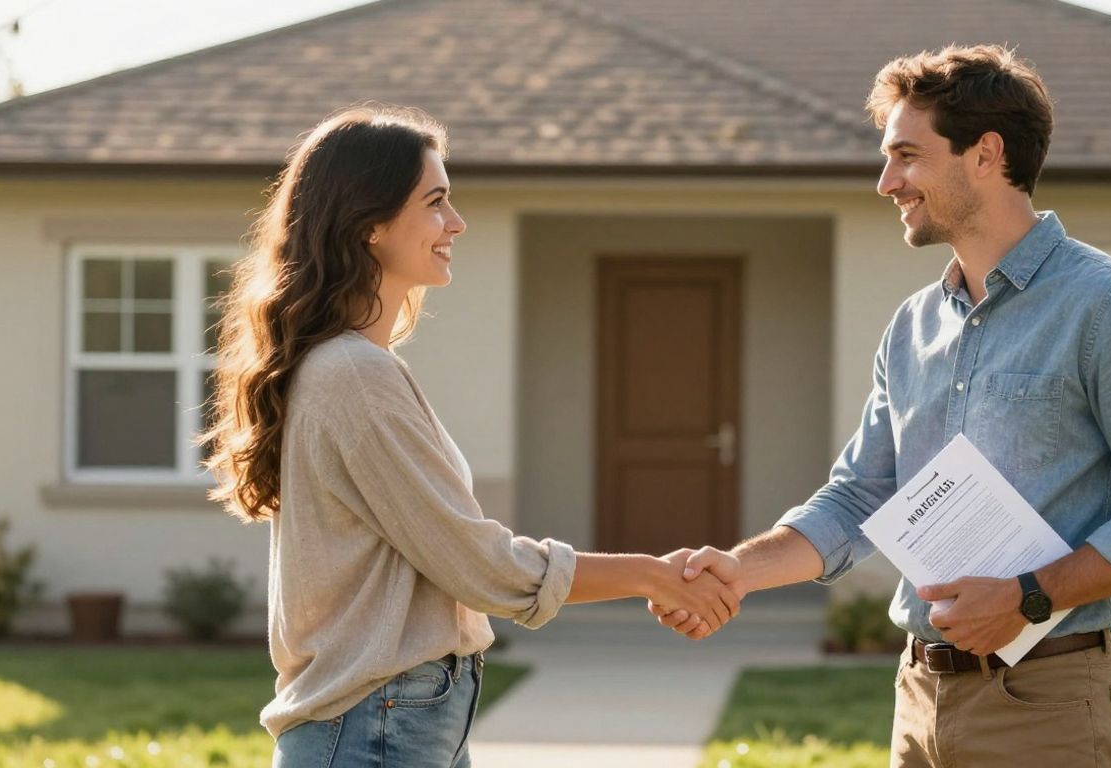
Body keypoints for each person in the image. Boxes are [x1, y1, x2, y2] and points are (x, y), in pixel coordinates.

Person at [655, 44, 1111, 767]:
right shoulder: (913, 326)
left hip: (1049, 702)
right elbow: (862, 495)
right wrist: (739, 570)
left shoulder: (1109, 307)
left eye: (907, 156)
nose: (887, 181)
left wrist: (1030, 597)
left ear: (985, 154)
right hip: (920, 697)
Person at [200, 105, 740, 768]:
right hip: (377, 725)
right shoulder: (354, 374)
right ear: (369, 223)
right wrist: (651, 576)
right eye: (435, 202)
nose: (455, 223)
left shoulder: (351, 367)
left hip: (396, 719)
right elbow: (478, 565)